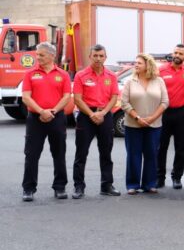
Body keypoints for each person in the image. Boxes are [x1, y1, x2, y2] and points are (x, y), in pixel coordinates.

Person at [21, 42, 71, 202]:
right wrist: (42, 111)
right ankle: (28, 189)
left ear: (51, 56)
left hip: (56, 117)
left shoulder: (62, 74)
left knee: (59, 153)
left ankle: (60, 187)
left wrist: (53, 111)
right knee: (31, 154)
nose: (38, 57)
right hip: (35, 119)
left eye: (41, 55)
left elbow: (66, 97)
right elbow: (26, 97)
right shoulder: (30, 74)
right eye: (37, 54)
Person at [72, 44, 120, 198]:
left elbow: (114, 97)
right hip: (86, 116)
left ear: (105, 57)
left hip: (105, 115)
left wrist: (104, 113)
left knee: (106, 153)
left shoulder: (111, 76)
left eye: (101, 56)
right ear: (90, 57)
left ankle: (106, 186)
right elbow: (78, 99)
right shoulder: (81, 75)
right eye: (95, 56)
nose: (98, 59)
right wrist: (91, 114)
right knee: (81, 154)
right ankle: (79, 187)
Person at [121, 53, 168, 195]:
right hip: (133, 125)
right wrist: (137, 118)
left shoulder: (159, 81)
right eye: (135, 63)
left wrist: (152, 118)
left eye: (139, 63)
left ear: (148, 65)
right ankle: (132, 184)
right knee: (133, 155)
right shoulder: (130, 81)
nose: (136, 65)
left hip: (154, 125)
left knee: (151, 154)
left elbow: (165, 102)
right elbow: (124, 103)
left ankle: (149, 184)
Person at [157, 44, 184, 189]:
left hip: (181, 114)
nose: (177, 55)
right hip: (164, 113)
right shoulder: (161, 70)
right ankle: (159, 178)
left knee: (180, 147)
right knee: (161, 147)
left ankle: (177, 177)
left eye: (181, 53)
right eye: (175, 52)